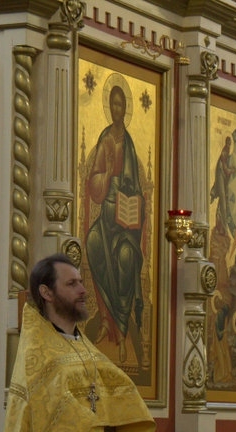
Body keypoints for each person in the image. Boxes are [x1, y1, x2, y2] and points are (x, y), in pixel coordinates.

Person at [0, 254, 155, 432]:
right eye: (72, 284)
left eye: (81, 282)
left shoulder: (87, 349)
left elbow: (107, 417)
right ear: (47, 292)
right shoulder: (38, 353)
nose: (83, 290)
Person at [85, 83, 145, 364]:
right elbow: (93, 182)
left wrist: (132, 202)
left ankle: (122, 330)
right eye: (114, 105)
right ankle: (107, 319)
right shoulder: (104, 137)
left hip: (126, 220)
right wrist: (106, 175)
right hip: (107, 213)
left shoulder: (129, 143)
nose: (117, 110)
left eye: (121, 105)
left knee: (124, 257)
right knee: (93, 243)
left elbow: (137, 187)